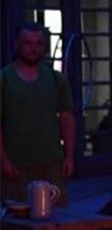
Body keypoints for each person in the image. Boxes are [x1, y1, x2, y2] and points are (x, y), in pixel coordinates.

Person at [0, 22, 76, 205]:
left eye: (38, 43)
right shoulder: (4, 79)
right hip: (16, 164)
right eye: (28, 43)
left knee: (57, 219)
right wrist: (3, 160)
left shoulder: (55, 79)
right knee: (16, 222)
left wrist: (70, 156)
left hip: (51, 163)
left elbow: (67, 118)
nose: (33, 48)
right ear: (17, 44)